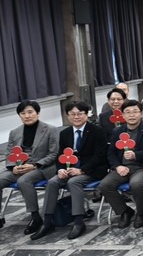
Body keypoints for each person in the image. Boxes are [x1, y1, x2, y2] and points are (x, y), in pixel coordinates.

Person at [32, 101, 107, 239]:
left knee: (74, 182)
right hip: (69, 168)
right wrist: (60, 169)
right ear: (67, 116)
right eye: (72, 114)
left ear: (87, 115)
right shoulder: (65, 133)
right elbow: (60, 155)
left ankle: (78, 221)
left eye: (80, 113)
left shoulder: (97, 131)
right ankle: (47, 221)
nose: (76, 117)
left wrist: (82, 170)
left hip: (91, 170)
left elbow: (100, 155)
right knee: (52, 182)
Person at [98, 100, 143, 229]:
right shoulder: (118, 131)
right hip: (123, 167)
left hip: (142, 167)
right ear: (122, 115)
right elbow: (111, 153)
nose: (131, 115)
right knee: (104, 185)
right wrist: (118, 166)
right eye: (127, 112)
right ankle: (124, 211)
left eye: (135, 112)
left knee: (136, 184)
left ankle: (141, 213)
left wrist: (136, 155)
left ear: (141, 114)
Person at [0, 100, 58, 233]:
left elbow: (54, 153)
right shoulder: (15, 132)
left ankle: (35, 216)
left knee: (24, 181)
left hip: (41, 167)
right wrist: (13, 167)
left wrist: (34, 165)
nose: (27, 116)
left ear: (38, 113)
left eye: (30, 112)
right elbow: (9, 153)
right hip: (19, 167)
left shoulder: (50, 130)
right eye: (23, 113)